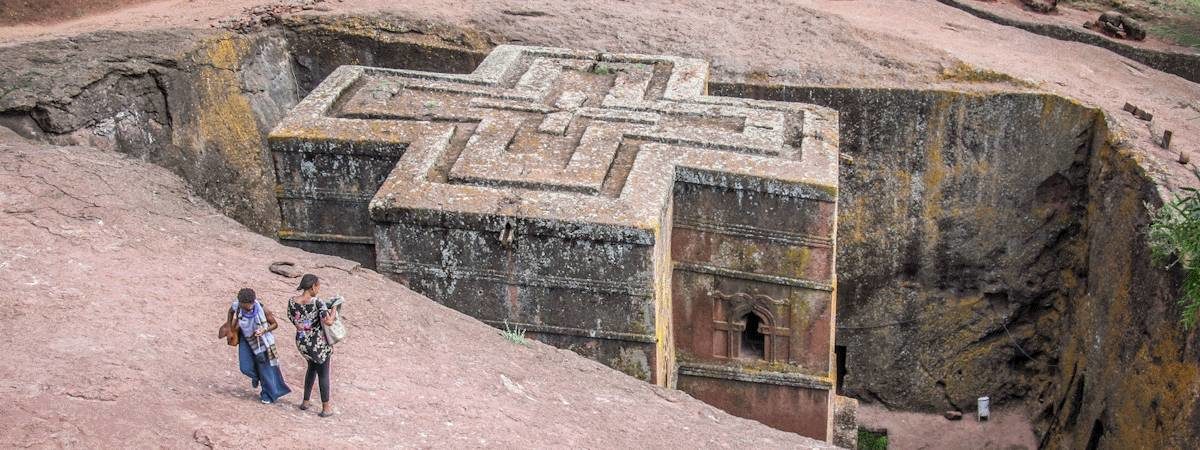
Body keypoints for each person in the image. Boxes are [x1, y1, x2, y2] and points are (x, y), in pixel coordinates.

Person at [227, 288, 291, 404]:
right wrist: (230, 328)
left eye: (250, 305)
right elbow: (230, 312)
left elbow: (275, 324)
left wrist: (264, 330)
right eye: (245, 306)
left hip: (262, 342)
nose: (248, 308)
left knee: (265, 369)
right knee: (245, 367)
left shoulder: (262, 309)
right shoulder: (237, 306)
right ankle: (256, 377)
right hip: (246, 339)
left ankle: (267, 394)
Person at [288, 274, 337, 417]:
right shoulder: (317, 302)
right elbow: (328, 321)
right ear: (313, 286)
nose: (319, 289)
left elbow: (293, 320)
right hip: (318, 343)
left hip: (302, 342)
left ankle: (305, 401)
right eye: (318, 286)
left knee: (311, 368)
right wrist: (334, 309)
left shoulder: (292, 301)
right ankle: (326, 408)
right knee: (323, 373)